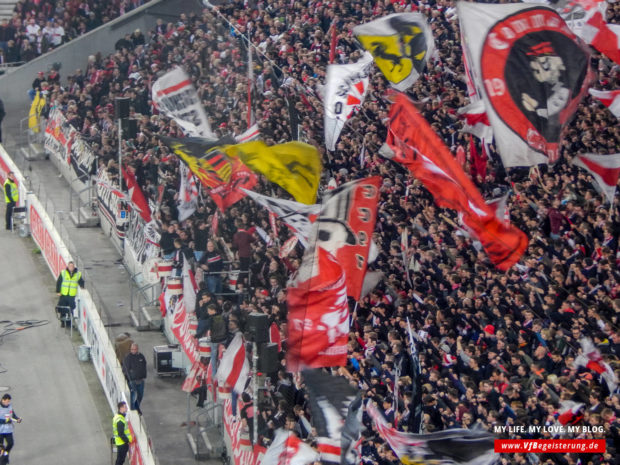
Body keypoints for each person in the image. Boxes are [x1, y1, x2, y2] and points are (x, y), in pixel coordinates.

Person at [55, 261, 84, 327]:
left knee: (70, 309)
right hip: (63, 294)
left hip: (71, 295)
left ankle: (69, 323)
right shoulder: (63, 273)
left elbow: (81, 281)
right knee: (62, 308)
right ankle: (62, 322)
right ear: (68, 266)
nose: (71, 267)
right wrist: (58, 291)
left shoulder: (78, 274)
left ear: (74, 267)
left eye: (72, 266)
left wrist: (82, 286)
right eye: (70, 266)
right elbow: (59, 282)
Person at [122, 343, 147, 415]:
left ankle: (137, 408)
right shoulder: (128, 357)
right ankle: (135, 410)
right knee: (134, 396)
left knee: (140, 395)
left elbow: (144, 366)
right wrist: (129, 378)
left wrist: (144, 375)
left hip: (141, 380)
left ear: (137, 349)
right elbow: (125, 369)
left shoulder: (141, 356)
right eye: (132, 349)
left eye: (135, 349)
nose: (133, 351)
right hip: (132, 381)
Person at [0, 394, 21, 461]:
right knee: (1, 447)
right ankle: (2, 459)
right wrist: (5, 421)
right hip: (0, 430)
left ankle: (6, 454)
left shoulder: (10, 407)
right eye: (7, 401)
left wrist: (17, 419)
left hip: (8, 430)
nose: (8, 403)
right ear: (3, 400)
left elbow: (13, 415)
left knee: (11, 443)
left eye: (9, 401)